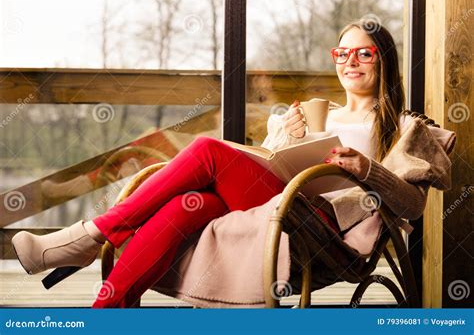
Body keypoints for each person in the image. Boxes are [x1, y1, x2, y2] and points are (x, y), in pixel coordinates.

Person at [12, 20, 425, 308]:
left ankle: (91, 236)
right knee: (186, 205)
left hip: (323, 228)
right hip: (278, 206)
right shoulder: (322, 113)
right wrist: (288, 137)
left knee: (208, 151)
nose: (350, 60)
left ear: (383, 59)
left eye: (364, 53)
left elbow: (414, 204)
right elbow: (274, 163)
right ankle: (107, 312)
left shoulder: (402, 127)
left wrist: (365, 168)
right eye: (342, 52)